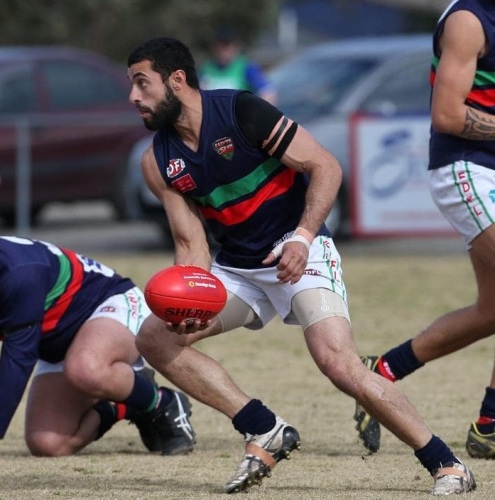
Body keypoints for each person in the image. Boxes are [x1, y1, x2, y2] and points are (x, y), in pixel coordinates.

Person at [127, 36, 476, 495]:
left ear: (176, 80)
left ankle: (447, 465)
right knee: (155, 336)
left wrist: (303, 237)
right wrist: (188, 297)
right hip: (238, 270)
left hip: (300, 253)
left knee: (339, 364)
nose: (134, 97)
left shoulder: (241, 112)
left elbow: (325, 166)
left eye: (141, 84)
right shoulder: (160, 161)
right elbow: (190, 243)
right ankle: (264, 428)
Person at [353, 0, 495, 461]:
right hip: (467, 170)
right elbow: (449, 116)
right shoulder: (470, 20)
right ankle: (492, 426)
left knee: (492, 309)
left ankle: (383, 370)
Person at [0, 236, 195, 456]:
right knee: (48, 443)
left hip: (107, 301)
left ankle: (161, 402)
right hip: (55, 340)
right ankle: (128, 403)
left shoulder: (20, 273)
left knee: (85, 368)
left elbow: (17, 359)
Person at [199, 26, 277, 104]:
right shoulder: (206, 69)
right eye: (220, 45)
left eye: (227, 44)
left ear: (236, 47)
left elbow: (268, 93)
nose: (223, 49)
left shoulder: (246, 67)